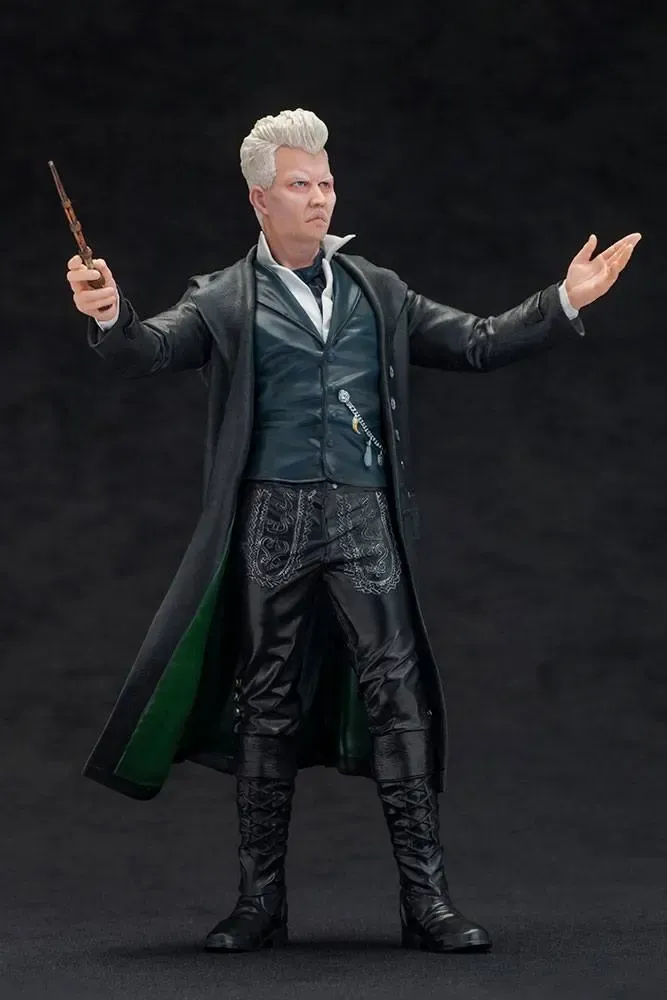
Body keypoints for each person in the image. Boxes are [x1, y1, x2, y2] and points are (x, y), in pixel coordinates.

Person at [66, 108, 640, 954]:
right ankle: (260, 903)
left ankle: (426, 900)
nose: (319, 197)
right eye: (299, 183)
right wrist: (110, 312)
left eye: (326, 181)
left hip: (363, 516)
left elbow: (476, 342)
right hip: (272, 519)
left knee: (397, 697)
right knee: (265, 700)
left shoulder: (378, 291)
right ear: (260, 198)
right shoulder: (225, 298)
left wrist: (562, 301)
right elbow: (147, 351)